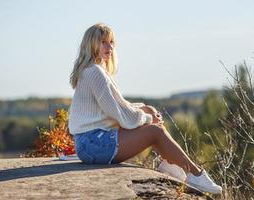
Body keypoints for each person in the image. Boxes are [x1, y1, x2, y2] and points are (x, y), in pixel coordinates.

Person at [68, 23, 222, 194]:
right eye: (103, 42)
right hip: (93, 144)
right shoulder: (95, 73)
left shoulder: (93, 71)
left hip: (92, 142)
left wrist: (145, 109)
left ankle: (170, 165)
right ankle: (196, 174)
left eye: (111, 42)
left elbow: (117, 106)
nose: (109, 47)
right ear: (92, 44)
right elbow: (119, 114)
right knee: (155, 132)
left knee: (155, 128)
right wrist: (148, 118)